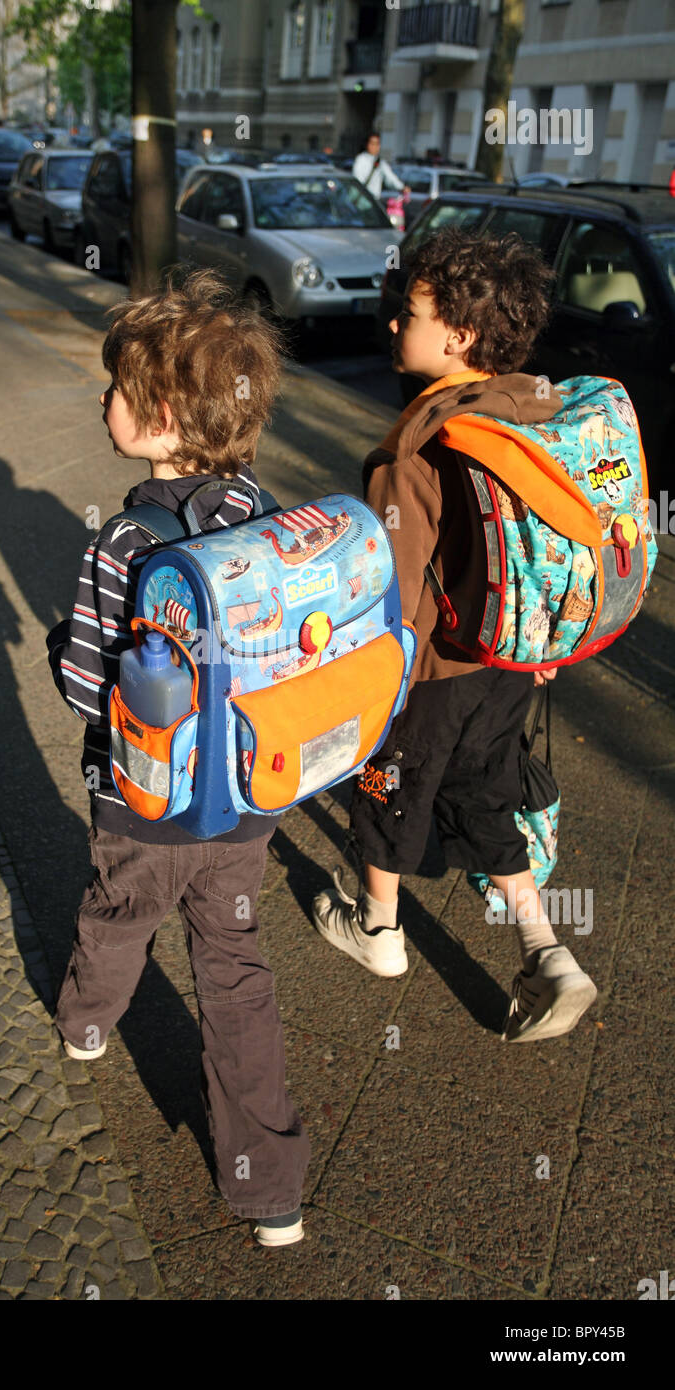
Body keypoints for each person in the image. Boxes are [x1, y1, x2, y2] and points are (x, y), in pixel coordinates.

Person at [46, 269, 311, 1247]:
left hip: (144, 805)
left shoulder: (124, 539)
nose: (102, 401)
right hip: (244, 799)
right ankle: (270, 1187)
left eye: (113, 388)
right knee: (236, 967)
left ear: (157, 416)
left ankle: (85, 1021)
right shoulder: (269, 510)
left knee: (119, 916)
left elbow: (85, 684)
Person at [312, 227, 598, 1044]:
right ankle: (548, 951)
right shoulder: (532, 410)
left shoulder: (420, 441)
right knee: (482, 790)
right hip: (512, 658)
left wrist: (360, 674)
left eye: (411, 313)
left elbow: (395, 590)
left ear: (459, 336)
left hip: (433, 666)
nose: (396, 325)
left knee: (387, 789)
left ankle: (378, 932)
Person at [352, 131, 409, 201]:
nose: (374, 147)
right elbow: (357, 179)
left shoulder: (380, 162)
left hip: (374, 200)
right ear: (367, 144)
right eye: (372, 143)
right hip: (361, 198)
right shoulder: (361, 159)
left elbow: (390, 177)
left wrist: (402, 187)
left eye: (377, 144)